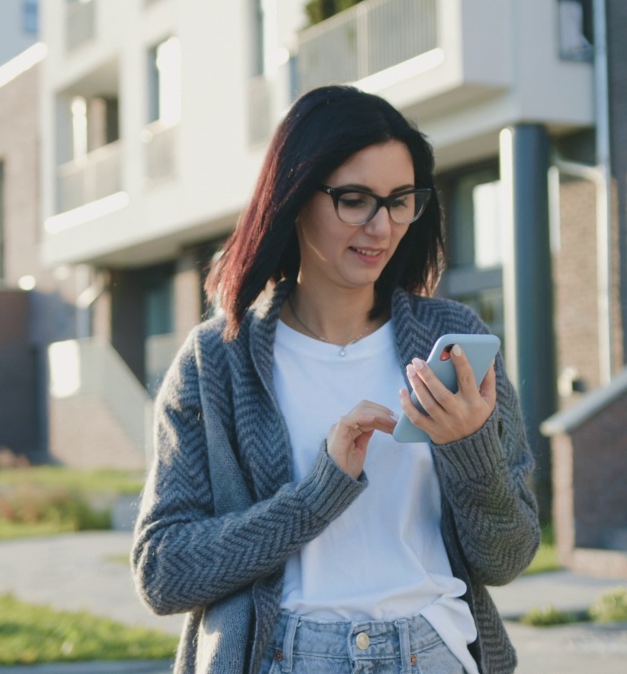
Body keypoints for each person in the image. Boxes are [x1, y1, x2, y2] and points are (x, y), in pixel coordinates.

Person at [132, 85, 539, 674]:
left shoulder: (451, 339)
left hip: (433, 653)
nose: (382, 226)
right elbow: (163, 573)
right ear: (296, 197)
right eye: (355, 199)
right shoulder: (216, 363)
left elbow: (508, 557)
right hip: (282, 658)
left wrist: (468, 449)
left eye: (401, 200)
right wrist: (318, 494)